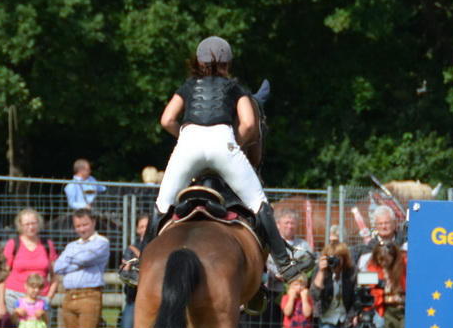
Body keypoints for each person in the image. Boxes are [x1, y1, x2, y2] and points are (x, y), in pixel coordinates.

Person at [123, 36, 315, 285]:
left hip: (188, 146)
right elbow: (248, 122)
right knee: (257, 202)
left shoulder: (188, 86)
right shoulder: (234, 87)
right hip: (223, 146)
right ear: (228, 63)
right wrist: (235, 143)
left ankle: (140, 265)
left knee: (162, 203)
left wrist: (184, 134)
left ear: (198, 63)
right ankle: (285, 262)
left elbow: (166, 119)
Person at [54, 208, 110, 328]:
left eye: (85, 224)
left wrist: (74, 259)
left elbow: (86, 257)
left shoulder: (102, 242)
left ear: (93, 222)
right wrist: (78, 260)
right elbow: (58, 267)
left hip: (89, 295)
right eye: (78, 225)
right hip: (69, 296)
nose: (81, 229)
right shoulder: (72, 246)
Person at [0, 209, 57, 328]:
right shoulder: (13, 244)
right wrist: (1, 303)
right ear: (20, 226)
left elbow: (55, 276)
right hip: (14, 297)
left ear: (39, 224)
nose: (31, 227)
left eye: (34, 223)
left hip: (40, 298)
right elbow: (2, 275)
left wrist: (48, 298)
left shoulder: (47, 245)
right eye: (27, 224)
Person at [108, 215, 148, 328]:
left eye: (147, 226)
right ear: (138, 230)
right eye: (141, 226)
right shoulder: (131, 249)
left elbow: (130, 270)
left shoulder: (158, 246)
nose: (144, 229)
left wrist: (136, 269)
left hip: (152, 305)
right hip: (133, 302)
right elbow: (125, 274)